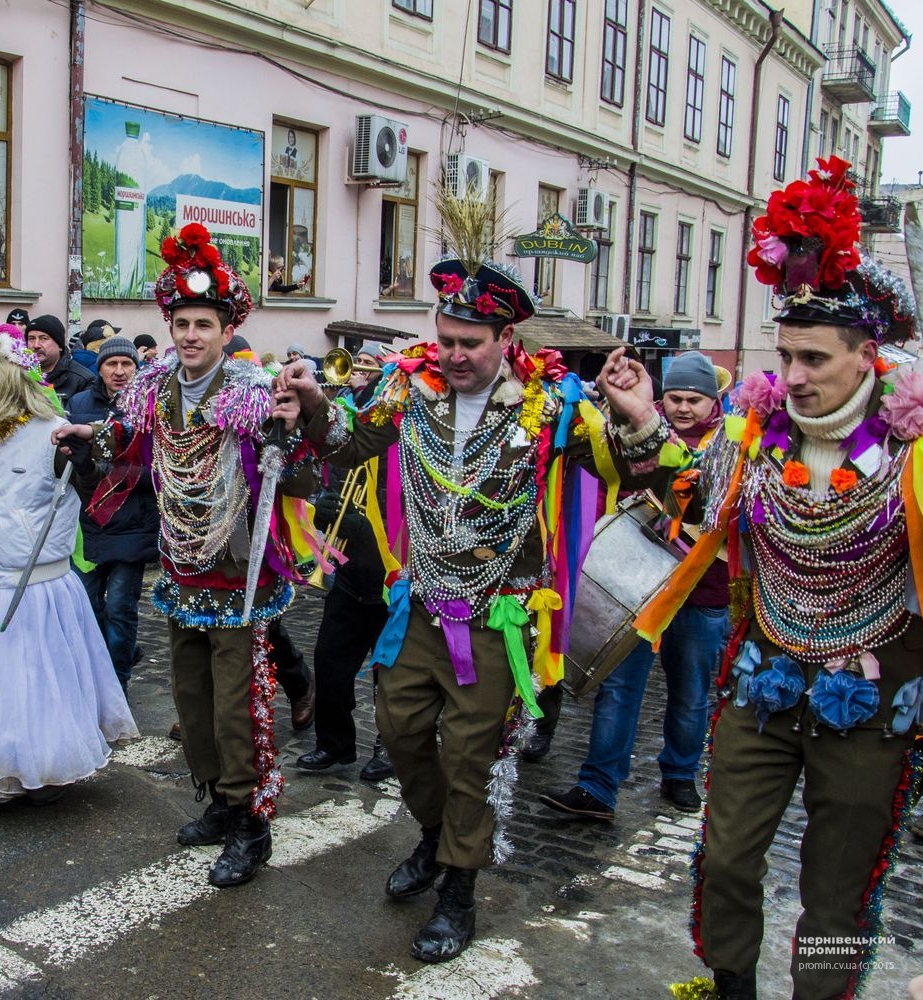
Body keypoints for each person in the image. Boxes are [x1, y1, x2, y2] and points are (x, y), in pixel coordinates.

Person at [600, 158, 923, 1000]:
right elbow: (687, 493)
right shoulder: (752, 438)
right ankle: (732, 983)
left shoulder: (915, 455)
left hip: (874, 695)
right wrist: (641, 421)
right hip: (764, 674)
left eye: (815, 358)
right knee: (725, 854)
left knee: (836, 888)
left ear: (867, 357)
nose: (794, 377)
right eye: (785, 356)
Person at [277, 210, 623, 963]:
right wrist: (312, 404)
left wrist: (636, 417)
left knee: (470, 754)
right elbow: (350, 442)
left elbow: (627, 469)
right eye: (446, 340)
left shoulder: (553, 405)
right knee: (399, 730)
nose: (455, 355)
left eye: (471, 343)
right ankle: (436, 836)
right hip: (424, 603)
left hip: (500, 616)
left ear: (507, 339)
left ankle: (459, 888)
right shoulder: (410, 390)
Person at [52, 223, 317, 887]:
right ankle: (220, 801)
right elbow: (125, 439)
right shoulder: (154, 387)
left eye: (204, 324)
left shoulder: (254, 391)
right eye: (182, 324)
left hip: (238, 567)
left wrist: (292, 431)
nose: (192, 335)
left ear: (226, 330)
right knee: (192, 699)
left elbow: (302, 469)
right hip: (180, 562)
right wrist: (89, 435)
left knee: (237, 704)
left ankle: (252, 822)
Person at [0, 333, 137, 805]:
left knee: (35, 685)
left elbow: (97, 494)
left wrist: (87, 468)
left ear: (0, 380)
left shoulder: (53, 433)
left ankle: (39, 769)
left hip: (34, 587)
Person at [539, 350, 732, 821]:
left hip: (703, 592)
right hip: (637, 588)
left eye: (694, 400)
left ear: (713, 401)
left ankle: (680, 773)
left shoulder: (733, 443)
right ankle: (598, 786)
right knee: (619, 685)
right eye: (675, 398)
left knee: (690, 691)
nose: (683, 407)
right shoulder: (636, 431)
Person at [294, 353, 396, 780]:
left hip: (392, 578)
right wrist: (324, 507)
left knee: (390, 673)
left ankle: (390, 747)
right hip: (350, 573)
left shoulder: (400, 438)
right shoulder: (344, 430)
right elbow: (327, 481)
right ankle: (334, 744)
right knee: (330, 661)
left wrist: (369, 525)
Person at [67, 337, 159, 692]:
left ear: (137, 367)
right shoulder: (80, 403)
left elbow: (159, 469)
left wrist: (113, 473)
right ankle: (102, 669)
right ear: (100, 368)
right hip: (89, 523)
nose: (119, 371)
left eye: (127, 364)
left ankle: (117, 685)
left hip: (133, 522)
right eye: (111, 364)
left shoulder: (150, 406)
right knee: (87, 605)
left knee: (121, 607)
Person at [26, 313, 97, 411]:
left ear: (59, 345)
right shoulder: (20, 374)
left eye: (44, 338)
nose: (36, 345)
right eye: (31, 339)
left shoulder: (82, 380)